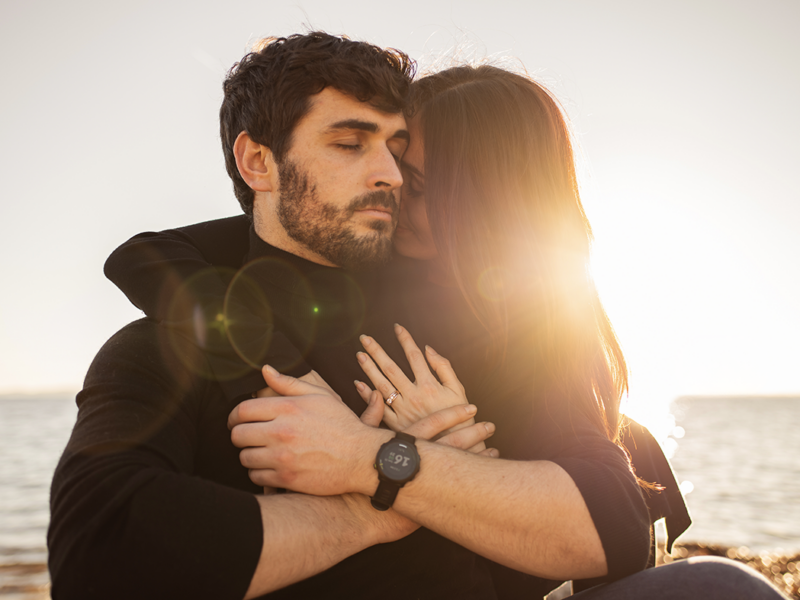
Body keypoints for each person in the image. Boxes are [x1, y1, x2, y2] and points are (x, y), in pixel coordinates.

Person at [52, 33, 788, 600]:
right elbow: (97, 557)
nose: (390, 177)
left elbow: (616, 525)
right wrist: (370, 512)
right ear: (258, 164)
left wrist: (374, 461)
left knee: (719, 589)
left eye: (400, 154)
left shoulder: (484, 323)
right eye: (351, 144)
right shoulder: (169, 338)